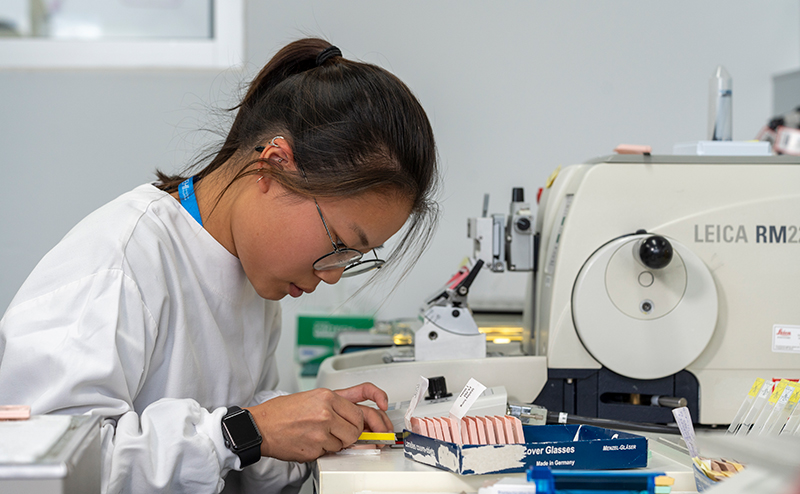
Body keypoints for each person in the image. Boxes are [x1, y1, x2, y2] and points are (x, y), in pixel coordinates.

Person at [0, 38, 439, 493]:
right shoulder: (119, 262)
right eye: (339, 244)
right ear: (272, 167)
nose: (331, 274)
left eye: (352, 259)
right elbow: (42, 467)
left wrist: (312, 431)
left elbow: (236, 453)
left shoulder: (252, 273)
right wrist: (246, 431)